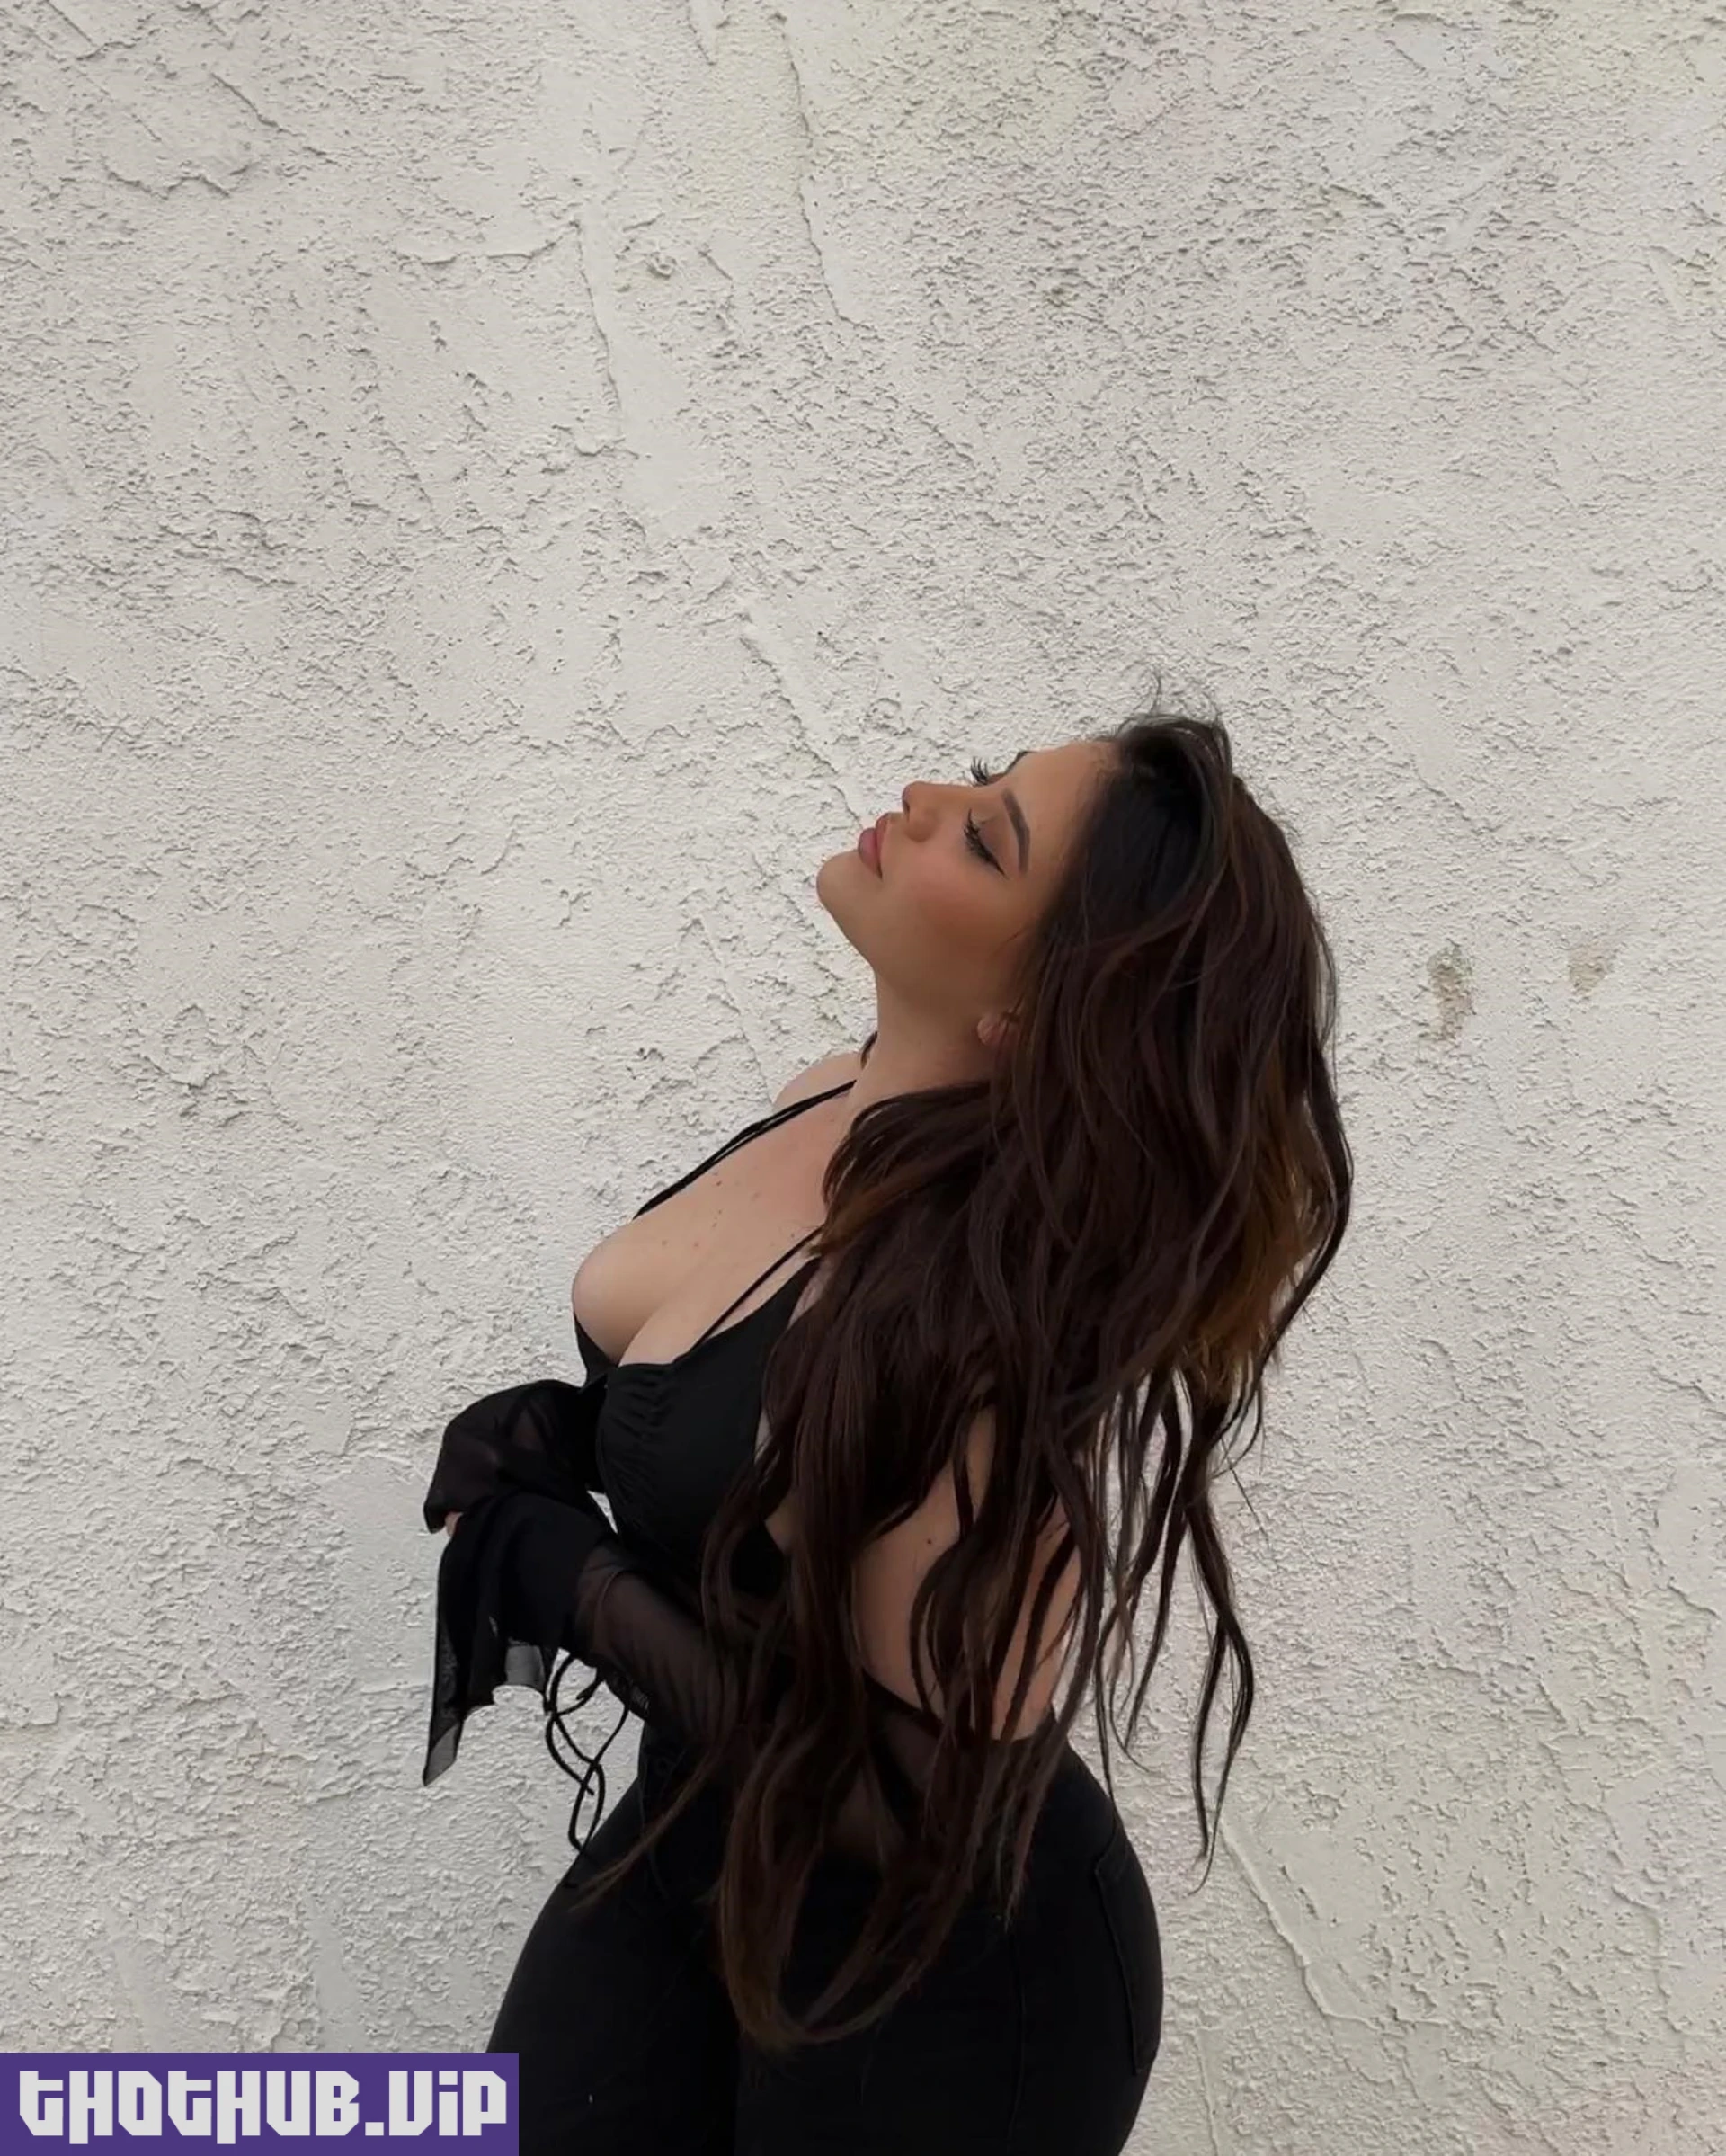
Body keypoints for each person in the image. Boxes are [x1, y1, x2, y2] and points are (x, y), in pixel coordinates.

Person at [419, 690, 1354, 2152]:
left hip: (949, 1973)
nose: (924, 796)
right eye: (981, 778)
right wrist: (584, 1453)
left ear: (1032, 1008)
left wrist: (577, 1583)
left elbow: (910, 1811)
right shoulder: (824, 1098)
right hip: (707, 1846)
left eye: (985, 838)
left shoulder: (988, 1346)